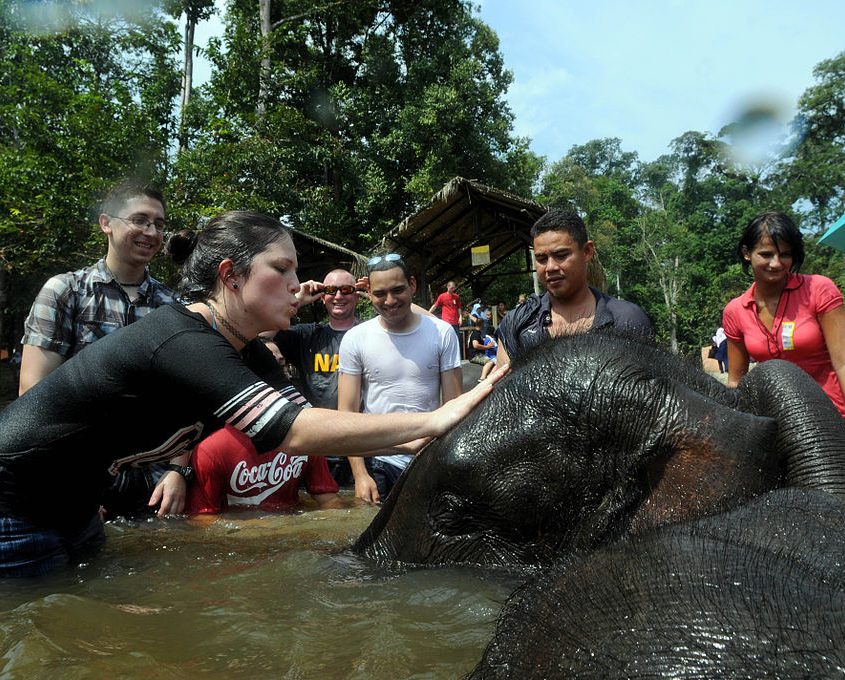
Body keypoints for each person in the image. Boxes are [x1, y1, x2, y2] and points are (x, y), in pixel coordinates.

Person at [0, 211, 504, 578]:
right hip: (14, 505)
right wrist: (436, 418)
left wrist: (422, 440)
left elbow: (309, 423)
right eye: (281, 269)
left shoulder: (245, 349)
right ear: (231, 275)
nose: (296, 285)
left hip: (77, 506)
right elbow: (295, 430)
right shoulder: (183, 339)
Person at [18, 179, 181, 518]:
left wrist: (180, 471)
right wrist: (69, 480)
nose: (151, 232)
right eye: (139, 220)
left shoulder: (172, 307)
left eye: (159, 224)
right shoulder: (65, 292)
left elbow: (187, 396)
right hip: (77, 472)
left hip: (154, 484)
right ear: (106, 223)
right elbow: (32, 395)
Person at [338, 253, 463, 504]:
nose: (390, 301)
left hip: (428, 459)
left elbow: (455, 408)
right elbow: (346, 415)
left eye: (398, 290)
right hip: (380, 463)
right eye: (380, 293)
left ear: (412, 286)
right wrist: (361, 475)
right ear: (369, 293)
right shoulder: (355, 338)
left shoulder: (442, 333)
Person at [722, 211, 845, 416]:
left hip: (832, 418)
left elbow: (842, 363)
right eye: (766, 254)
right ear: (746, 252)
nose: (777, 263)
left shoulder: (819, 290)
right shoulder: (735, 312)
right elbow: (736, 381)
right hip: (778, 423)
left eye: (785, 254)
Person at [497, 209, 653, 365]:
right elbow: (502, 385)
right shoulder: (517, 323)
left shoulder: (627, 320)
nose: (550, 267)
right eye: (541, 259)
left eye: (561, 255)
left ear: (587, 252)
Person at [273, 269, 363, 486]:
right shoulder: (307, 335)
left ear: (358, 295)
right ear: (323, 297)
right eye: (331, 290)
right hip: (315, 449)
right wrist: (296, 301)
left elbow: (430, 324)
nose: (339, 296)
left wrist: (377, 293)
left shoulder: (372, 333)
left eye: (347, 290)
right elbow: (257, 332)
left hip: (363, 447)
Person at [185, 424, 342, 514]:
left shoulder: (305, 438)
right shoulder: (212, 449)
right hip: (240, 545)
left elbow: (328, 499)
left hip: (293, 539)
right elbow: (202, 521)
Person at [468, 317, 496, 381]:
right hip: (475, 356)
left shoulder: (477, 333)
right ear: (482, 324)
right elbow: (475, 345)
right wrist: (487, 347)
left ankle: (489, 377)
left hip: (478, 354)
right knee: (490, 361)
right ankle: (482, 378)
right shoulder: (476, 333)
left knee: (493, 361)